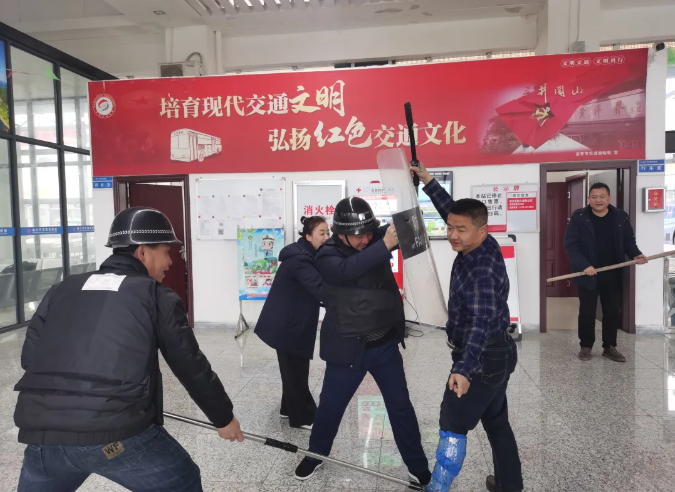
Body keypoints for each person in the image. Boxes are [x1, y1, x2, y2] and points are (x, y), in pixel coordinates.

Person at [14, 207, 243, 492]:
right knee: (182, 480)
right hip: (115, 437)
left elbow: (30, 358)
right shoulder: (157, 297)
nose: (170, 262)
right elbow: (190, 366)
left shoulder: (61, 289)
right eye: (166, 252)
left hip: (43, 436)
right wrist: (223, 418)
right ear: (143, 252)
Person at [293, 197, 431, 486]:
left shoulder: (374, 239)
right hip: (347, 347)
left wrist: (414, 189)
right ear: (341, 233)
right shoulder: (327, 254)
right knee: (330, 407)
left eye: (369, 233)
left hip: (384, 346)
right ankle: (315, 455)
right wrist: (384, 245)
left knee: (400, 407)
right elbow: (345, 272)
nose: (365, 240)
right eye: (359, 235)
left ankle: (417, 465)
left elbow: (410, 229)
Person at [411, 165, 522, 492]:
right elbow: (455, 213)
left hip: (482, 358)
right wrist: (429, 181)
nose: (453, 235)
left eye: (460, 230)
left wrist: (463, 368)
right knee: (497, 423)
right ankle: (509, 486)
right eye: (450, 228)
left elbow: (480, 324)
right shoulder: (482, 242)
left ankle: (438, 486)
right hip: (499, 354)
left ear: (482, 231)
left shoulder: (481, 271)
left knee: (452, 424)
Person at [255, 216, 330, 430]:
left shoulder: (306, 254)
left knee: (293, 369)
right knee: (296, 371)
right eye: (322, 233)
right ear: (308, 236)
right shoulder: (300, 260)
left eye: (328, 232)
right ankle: (304, 417)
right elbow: (320, 289)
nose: (327, 237)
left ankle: (287, 409)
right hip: (287, 325)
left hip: (291, 321)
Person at [564, 182, 647, 362]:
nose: (598, 200)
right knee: (587, 311)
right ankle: (586, 346)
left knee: (612, 311)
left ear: (609, 198)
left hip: (613, 272)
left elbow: (628, 241)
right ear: (589, 199)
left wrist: (636, 254)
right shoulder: (579, 217)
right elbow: (571, 245)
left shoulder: (620, 217)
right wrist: (584, 265)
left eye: (602, 197)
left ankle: (609, 346)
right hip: (588, 274)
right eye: (594, 197)